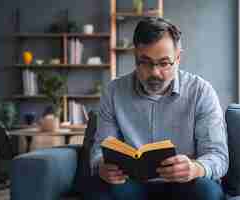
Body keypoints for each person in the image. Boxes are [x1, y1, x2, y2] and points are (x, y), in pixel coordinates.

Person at [85, 17, 228, 200]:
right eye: (144, 62)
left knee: (207, 192)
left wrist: (196, 168)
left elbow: (218, 156)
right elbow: (100, 148)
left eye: (164, 63)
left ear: (178, 58)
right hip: (131, 184)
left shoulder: (201, 92)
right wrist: (101, 166)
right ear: (135, 56)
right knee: (99, 191)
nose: (154, 72)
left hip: (185, 184)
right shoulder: (113, 91)